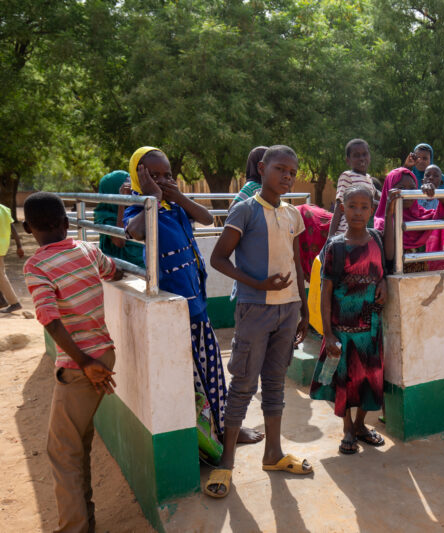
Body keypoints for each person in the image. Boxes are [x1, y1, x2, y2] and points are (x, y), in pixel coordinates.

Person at [123, 147, 264, 454]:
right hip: (174, 312)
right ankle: (206, 439)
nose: (162, 181)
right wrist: (152, 198)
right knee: (190, 381)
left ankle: (228, 428)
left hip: (196, 303)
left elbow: (206, 216)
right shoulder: (139, 208)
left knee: (212, 370)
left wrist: (175, 197)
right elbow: (132, 233)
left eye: (167, 175)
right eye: (154, 175)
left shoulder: (176, 207)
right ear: (139, 177)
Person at [206, 145, 311, 498]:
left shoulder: (293, 214)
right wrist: (258, 284)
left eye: (292, 172)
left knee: (276, 381)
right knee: (243, 383)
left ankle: (274, 453)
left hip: (288, 308)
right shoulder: (245, 210)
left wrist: (304, 306)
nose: (287, 176)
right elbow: (218, 259)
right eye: (280, 169)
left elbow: (296, 261)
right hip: (255, 309)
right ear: (263, 168)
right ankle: (227, 462)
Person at [22, 192, 123, 532]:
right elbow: (114, 272)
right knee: (76, 442)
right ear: (67, 223)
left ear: (27, 228)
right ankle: (85, 520)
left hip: (81, 363)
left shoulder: (36, 266)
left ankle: (74, 527)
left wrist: (82, 362)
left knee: (62, 451)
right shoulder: (88, 250)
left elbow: (49, 318)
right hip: (101, 353)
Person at [310, 184, 394, 454]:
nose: (358, 212)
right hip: (342, 328)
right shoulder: (335, 246)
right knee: (343, 380)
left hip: (371, 327)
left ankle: (360, 425)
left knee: (369, 378)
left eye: (364, 207)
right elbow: (326, 292)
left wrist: (384, 282)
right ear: (343, 208)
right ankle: (347, 428)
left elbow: (384, 268)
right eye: (352, 206)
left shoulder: (377, 240)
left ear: (371, 210)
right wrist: (328, 333)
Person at [374, 167, 444, 272]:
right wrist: (389, 212)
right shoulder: (383, 221)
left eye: (412, 188)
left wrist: (435, 192)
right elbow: (389, 256)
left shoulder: (421, 216)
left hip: (422, 282)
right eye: (402, 188)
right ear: (389, 190)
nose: (407, 193)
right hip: (397, 282)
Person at [94, 170, 146, 268]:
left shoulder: (133, 209)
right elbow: (119, 242)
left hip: (141, 264)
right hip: (121, 269)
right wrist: (121, 201)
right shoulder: (103, 214)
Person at [330, 139, 378, 236]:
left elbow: (379, 198)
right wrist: (330, 236)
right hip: (346, 232)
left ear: (370, 156)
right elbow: (338, 206)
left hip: (362, 232)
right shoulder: (347, 176)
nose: (361, 158)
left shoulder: (369, 179)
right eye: (356, 155)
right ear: (348, 160)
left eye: (365, 154)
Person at [0, 202, 24, 313]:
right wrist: (19, 245)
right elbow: (12, 228)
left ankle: (14, 303)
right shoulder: (4, 209)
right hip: (3, 245)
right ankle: (2, 300)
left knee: (1, 276)